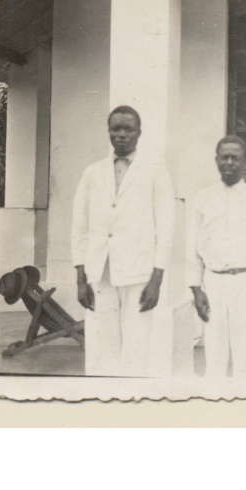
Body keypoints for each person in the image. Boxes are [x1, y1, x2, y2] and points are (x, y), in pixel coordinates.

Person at [71, 106, 175, 377]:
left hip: (139, 272)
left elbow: (166, 227)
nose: (121, 135)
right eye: (115, 129)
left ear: (139, 133)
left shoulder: (155, 172)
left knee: (137, 344)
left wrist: (157, 279)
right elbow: (80, 227)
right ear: (108, 132)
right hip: (100, 271)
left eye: (128, 129)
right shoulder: (92, 173)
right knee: (101, 346)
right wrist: (81, 278)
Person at [186, 136, 246, 379]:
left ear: (245, 161)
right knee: (214, 356)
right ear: (217, 160)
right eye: (225, 157)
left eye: (236, 158)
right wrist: (196, 290)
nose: (230, 163)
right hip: (213, 281)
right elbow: (193, 247)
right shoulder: (203, 198)